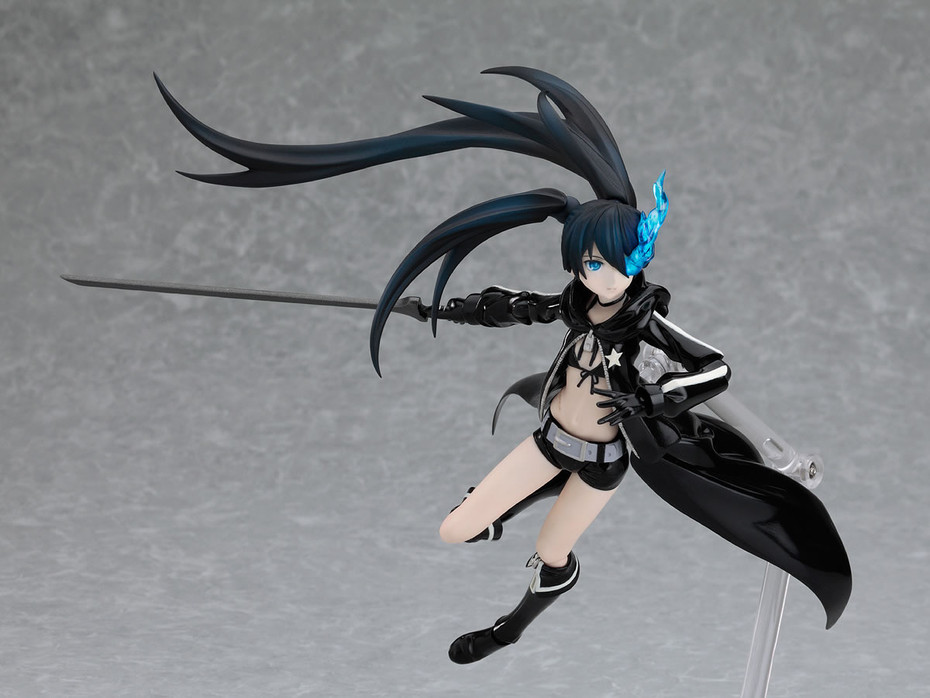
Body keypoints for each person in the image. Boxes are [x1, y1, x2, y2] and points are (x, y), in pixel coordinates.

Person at [154, 66, 851, 663]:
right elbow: (519, 307)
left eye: (601, 262)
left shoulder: (648, 322)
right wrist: (450, 309)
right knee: (455, 529)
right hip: (549, 441)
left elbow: (714, 371)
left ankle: (509, 629)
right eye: (582, 261)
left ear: (634, 258)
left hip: (603, 463)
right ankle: (506, 506)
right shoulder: (578, 304)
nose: (590, 273)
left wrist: (653, 400)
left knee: (552, 554)